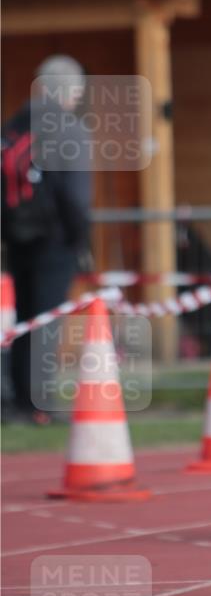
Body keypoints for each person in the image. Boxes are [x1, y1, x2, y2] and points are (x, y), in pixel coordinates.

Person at [1, 55, 92, 424]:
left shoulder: (12, 126)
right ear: (66, 91)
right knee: (46, 321)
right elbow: (74, 195)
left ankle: (20, 400)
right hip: (55, 240)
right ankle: (40, 403)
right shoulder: (69, 129)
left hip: (16, 238)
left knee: (23, 319)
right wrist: (80, 240)